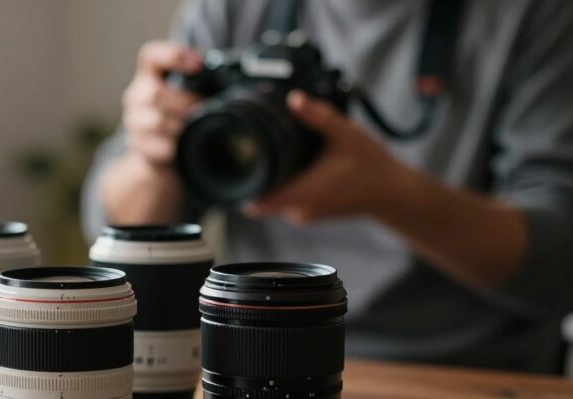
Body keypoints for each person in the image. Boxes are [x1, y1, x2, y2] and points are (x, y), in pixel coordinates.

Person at [81, 0, 573, 373]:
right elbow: (118, 235)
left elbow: (561, 261)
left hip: (467, 374)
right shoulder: (233, 8)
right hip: (258, 355)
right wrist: (157, 155)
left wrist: (389, 194)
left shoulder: (533, 14)